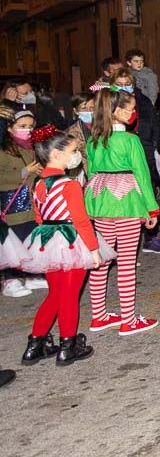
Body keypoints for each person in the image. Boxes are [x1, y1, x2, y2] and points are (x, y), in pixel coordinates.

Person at [19, 127, 116, 365]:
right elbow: (81, 220)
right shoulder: (69, 184)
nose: (76, 156)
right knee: (70, 296)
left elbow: (40, 217)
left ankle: (35, 344)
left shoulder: (38, 184)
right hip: (71, 239)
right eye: (73, 151)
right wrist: (93, 250)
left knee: (55, 294)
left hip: (46, 240)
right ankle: (68, 346)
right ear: (57, 153)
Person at [85, 86, 160, 335]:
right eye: (129, 109)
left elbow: (92, 171)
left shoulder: (94, 139)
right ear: (116, 112)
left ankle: (99, 315)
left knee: (103, 258)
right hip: (126, 199)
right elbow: (142, 174)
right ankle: (129, 319)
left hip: (102, 199)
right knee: (127, 261)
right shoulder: (130, 140)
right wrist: (151, 208)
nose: (133, 113)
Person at [112, 68, 160, 254]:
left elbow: (154, 125)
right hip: (119, 157)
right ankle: (123, 244)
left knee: (147, 190)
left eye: (127, 83)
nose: (124, 87)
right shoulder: (108, 103)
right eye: (119, 84)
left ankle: (151, 237)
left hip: (143, 149)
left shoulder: (142, 101)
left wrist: (155, 149)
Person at [1, 110, 40, 298]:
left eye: (30, 127)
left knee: (30, 238)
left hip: (32, 204)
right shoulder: (4, 151)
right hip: (13, 204)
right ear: (10, 128)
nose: (27, 130)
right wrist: (24, 172)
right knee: (13, 242)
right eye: (22, 127)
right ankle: (10, 279)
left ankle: (31, 274)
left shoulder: (33, 147)